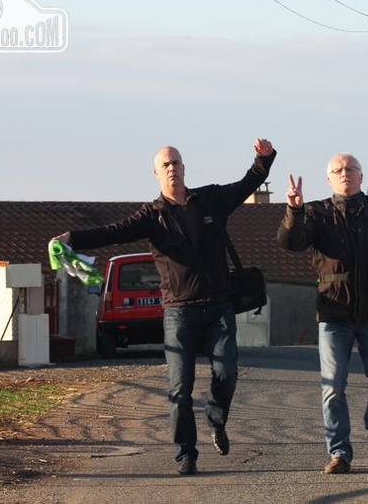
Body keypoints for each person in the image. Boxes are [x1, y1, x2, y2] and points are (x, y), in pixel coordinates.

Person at [52, 139, 277, 475]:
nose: (172, 168)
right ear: (156, 173)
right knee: (179, 388)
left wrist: (264, 159)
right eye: (166, 165)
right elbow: (113, 232)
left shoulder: (210, 200)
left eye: (177, 163)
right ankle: (186, 454)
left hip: (218, 306)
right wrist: (72, 238)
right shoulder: (151, 216)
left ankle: (216, 418)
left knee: (227, 372)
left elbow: (247, 184)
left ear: (184, 168)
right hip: (179, 312)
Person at [276, 153, 368, 475]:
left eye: (350, 169)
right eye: (337, 170)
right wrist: (294, 209)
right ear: (330, 179)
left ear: (361, 175)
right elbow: (291, 242)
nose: (344, 173)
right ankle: (339, 453)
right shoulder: (315, 213)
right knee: (333, 387)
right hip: (333, 313)